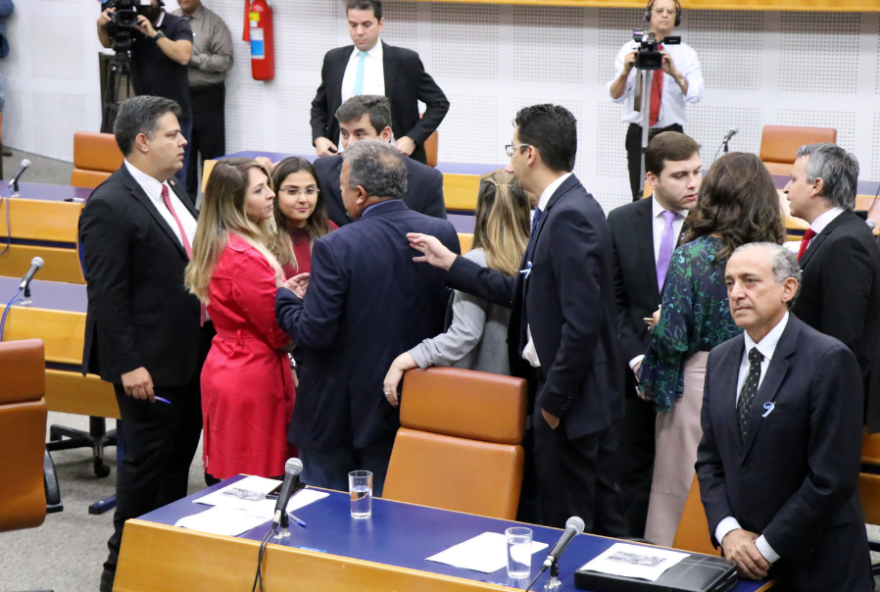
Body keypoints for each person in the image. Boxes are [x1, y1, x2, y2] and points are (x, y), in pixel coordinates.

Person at [407, 104, 627, 534]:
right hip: (567, 399)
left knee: (572, 527)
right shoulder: (558, 209)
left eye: (512, 150)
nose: (508, 163)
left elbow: (581, 327)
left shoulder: (570, 217)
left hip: (571, 406)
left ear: (531, 154)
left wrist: (552, 404)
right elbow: (526, 295)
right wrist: (454, 264)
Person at [78, 96, 213, 592]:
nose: (183, 141)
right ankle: (118, 579)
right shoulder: (111, 203)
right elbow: (108, 295)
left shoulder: (170, 190)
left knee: (175, 472)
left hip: (188, 357)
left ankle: (160, 572)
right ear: (142, 141)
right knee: (142, 477)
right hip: (148, 368)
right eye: (173, 134)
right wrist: (130, 365)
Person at [275, 140, 459, 497]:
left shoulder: (336, 245)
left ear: (359, 193)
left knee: (325, 524)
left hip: (336, 416)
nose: (339, 196)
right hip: (409, 402)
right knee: (394, 521)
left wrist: (286, 300)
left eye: (342, 188)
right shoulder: (442, 233)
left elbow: (315, 332)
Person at [696, 242, 872, 590]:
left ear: (788, 289)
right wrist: (727, 531)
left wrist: (764, 548)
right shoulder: (720, 359)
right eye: (730, 283)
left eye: (750, 281)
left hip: (818, 566)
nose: (736, 293)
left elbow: (830, 478)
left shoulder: (828, 359)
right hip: (743, 561)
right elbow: (710, 460)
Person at [637, 152, 785, 547]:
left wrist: (649, 380)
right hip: (763, 380)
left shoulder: (693, 255)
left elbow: (671, 338)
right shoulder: (777, 258)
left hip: (698, 382)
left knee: (680, 490)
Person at [607, 131, 701, 538]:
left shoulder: (710, 227)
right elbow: (613, 304)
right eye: (681, 175)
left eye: (698, 172)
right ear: (652, 179)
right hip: (632, 371)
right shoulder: (621, 221)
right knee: (630, 472)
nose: (693, 183)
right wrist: (638, 359)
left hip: (687, 373)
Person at [184, 157, 295, 482]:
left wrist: (282, 292)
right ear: (236, 204)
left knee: (235, 477)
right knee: (254, 483)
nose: (271, 195)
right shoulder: (245, 258)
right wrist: (295, 304)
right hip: (252, 377)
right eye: (260, 190)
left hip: (229, 362)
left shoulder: (221, 245)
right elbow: (278, 333)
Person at [382, 171, 530, 395]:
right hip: (521, 396)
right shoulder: (532, 259)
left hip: (480, 396)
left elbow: (465, 334)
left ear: (481, 210)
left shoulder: (475, 263)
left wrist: (408, 358)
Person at [784, 143, 880, 433]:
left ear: (816, 186)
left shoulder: (845, 243)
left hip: (832, 401)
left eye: (793, 179)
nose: (786, 189)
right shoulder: (835, 233)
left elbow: (842, 336)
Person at [310, 0, 449, 165]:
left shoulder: (404, 61)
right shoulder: (334, 60)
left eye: (366, 24)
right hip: (343, 159)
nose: (359, 32)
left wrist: (412, 138)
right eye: (353, 25)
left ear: (380, 23)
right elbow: (320, 106)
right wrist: (319, 137)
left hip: (394, 160)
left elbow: (439, 103)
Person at [607, 0, 705, 201]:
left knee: (674, 195)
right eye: (659, 10)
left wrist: (675, 73)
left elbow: (696, 94)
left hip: (672, 135)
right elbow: (615, 95)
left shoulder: (686, 53)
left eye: (670, 12)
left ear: (676, 18)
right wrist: (626, 71)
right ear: (648, 15)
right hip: (638, 133)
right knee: (639, 194)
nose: (665, 15)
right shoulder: (630, 49)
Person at [97, 0, 194, 187]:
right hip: (144, 116)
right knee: (146, 174)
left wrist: (154, 34)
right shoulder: (131, 23)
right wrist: (101, 27)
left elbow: (183, 55)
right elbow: (108, 43)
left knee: (175, 177)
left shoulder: (177, 24)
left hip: (175, 115)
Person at [313, 95, 446, 226]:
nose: (349, 143)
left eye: (360, 134)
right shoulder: (322, 171)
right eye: (345, 134)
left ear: (385, 135)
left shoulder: (426, 180)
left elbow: (438, 234)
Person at [172, 0, 234, 201]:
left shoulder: (214, 23)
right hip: (178, 97)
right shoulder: (169, 20)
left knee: (212, 159)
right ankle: (185, 211)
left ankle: (213, 212)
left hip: (208, 97)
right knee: (182, 158)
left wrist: (192, 59)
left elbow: (225, 60)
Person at [271, 156, 338, 278]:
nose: (303, 199)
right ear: (274, 194)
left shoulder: (331, 230)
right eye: (292, 191)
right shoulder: (264, 236)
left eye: (309, 191)